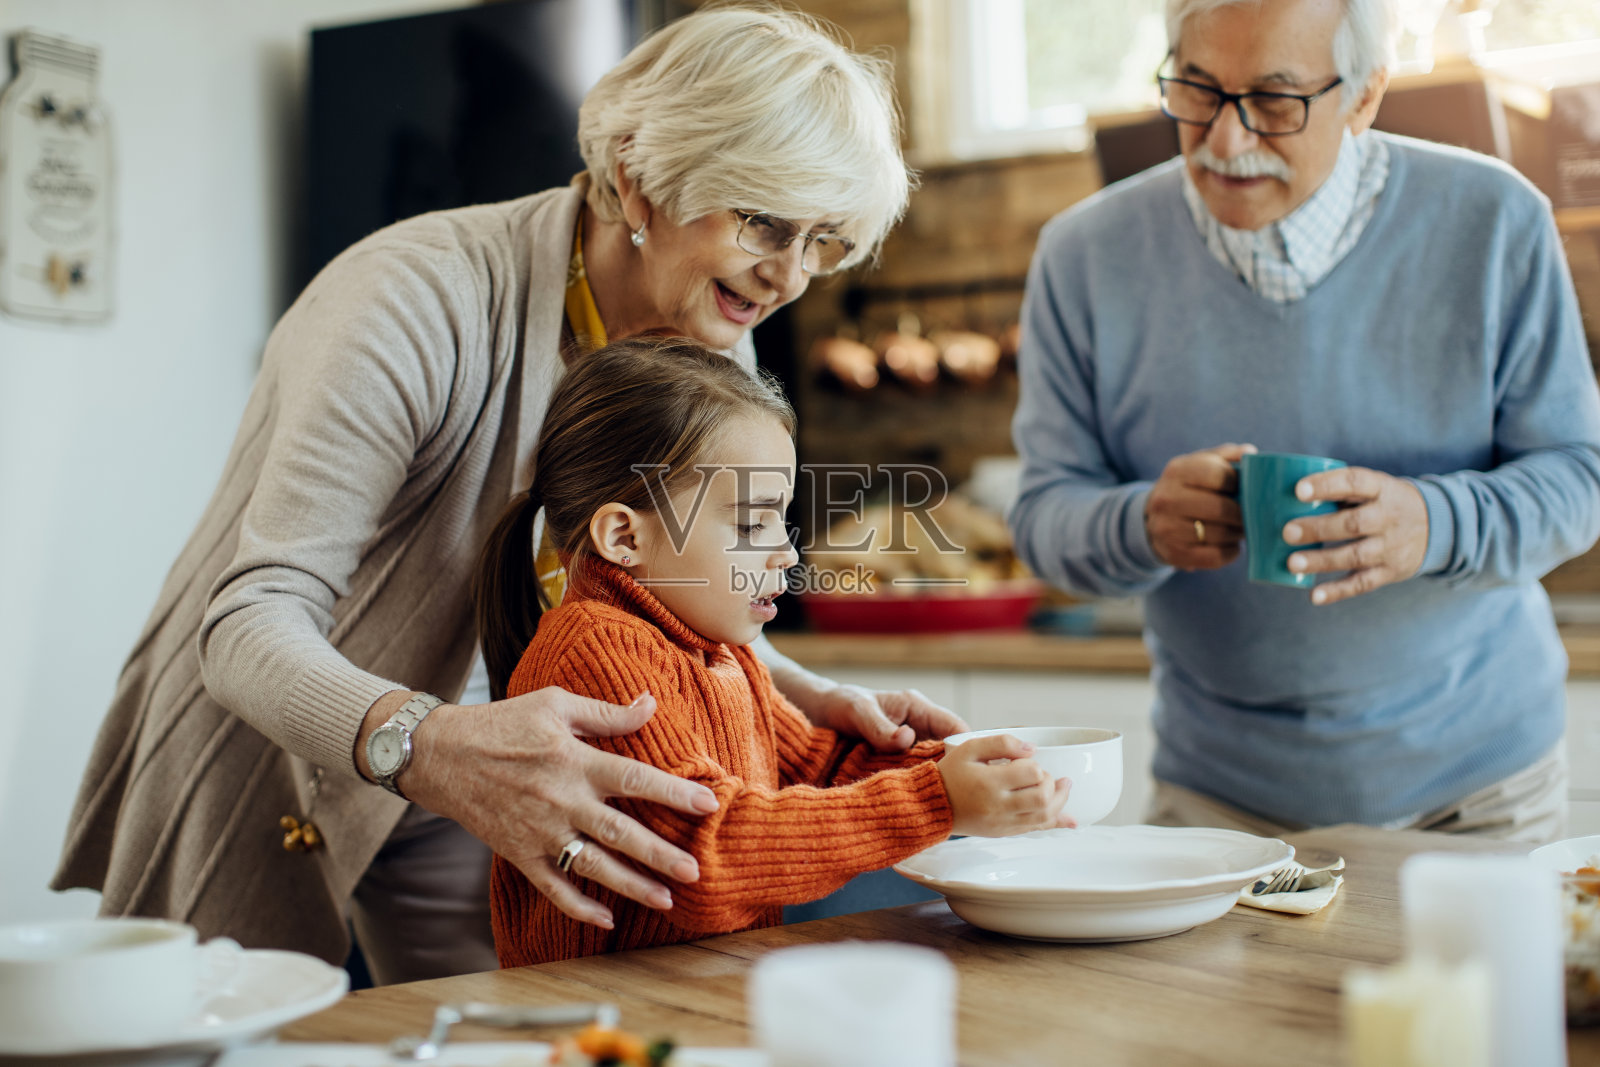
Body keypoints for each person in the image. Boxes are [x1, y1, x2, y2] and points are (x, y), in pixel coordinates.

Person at [52, 6, 963, 985]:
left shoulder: (710, 328)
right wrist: (436, 743)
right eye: (762, 223)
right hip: (292, 731)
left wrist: (813, 695)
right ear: (635, 177)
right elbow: (243, 624)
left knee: (517, 1030)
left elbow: (684, 579)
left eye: (822, 241)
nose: (788, 277)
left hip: (508, 740)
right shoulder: (410, 298)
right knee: (237, 1029)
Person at [1009, 0, 1600, 842]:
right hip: (1218, 806)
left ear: (1364, 96)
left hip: (1480, 793)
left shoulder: (1497, 221)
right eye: (1196, 90)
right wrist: (1140, 523)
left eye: (1276, 102)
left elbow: (1579, 477)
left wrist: (1433, 524)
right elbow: (1041, 515)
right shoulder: (1081, 257)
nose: (1225, 141)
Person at [477, 337, 1071, 965]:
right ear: (626, 536)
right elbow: (703, 857)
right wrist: (934, 800)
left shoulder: (720, 652)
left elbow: (820, 767)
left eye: (779, 521)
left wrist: (962, 773)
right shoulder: (599, 651)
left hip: (694, 1001)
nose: (786, 554)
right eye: (749, 524)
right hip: (604, 1019)